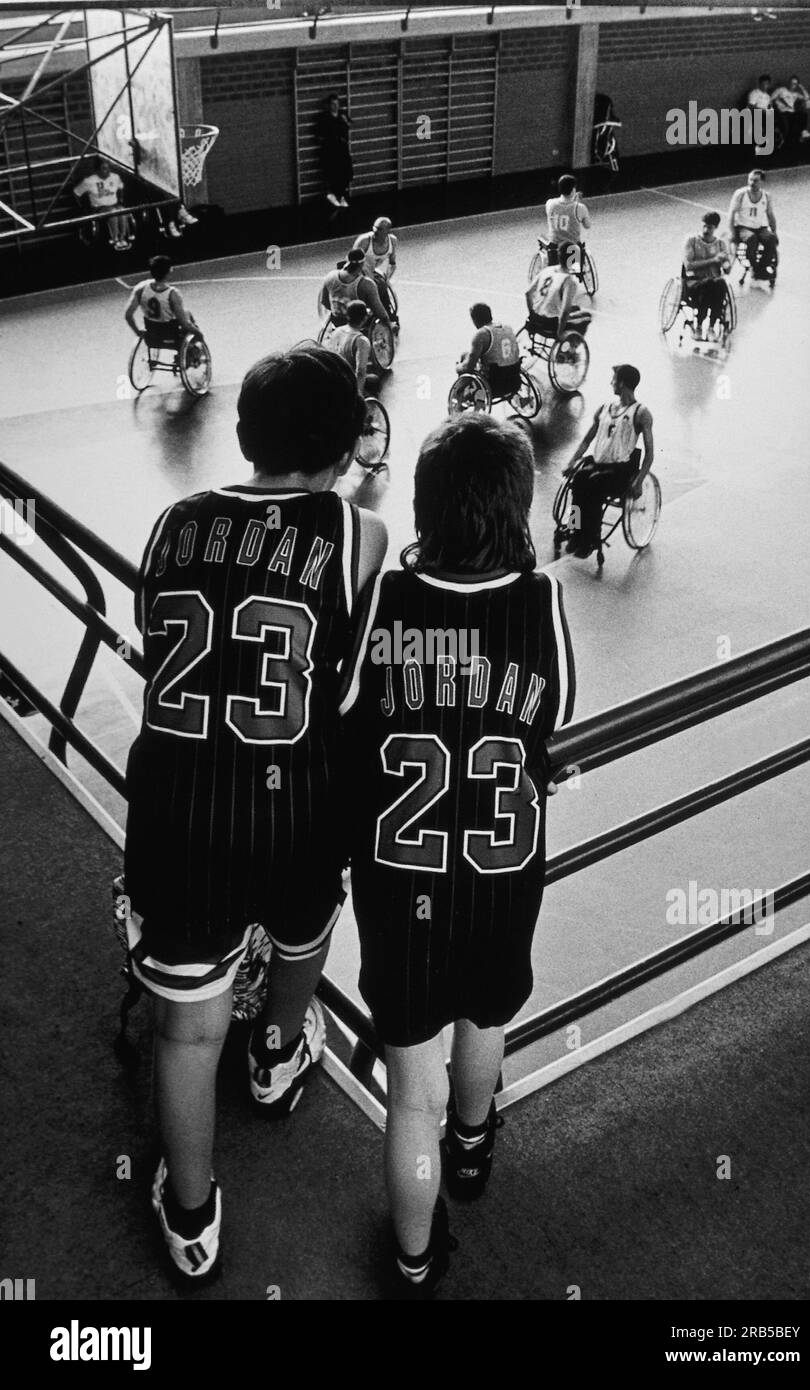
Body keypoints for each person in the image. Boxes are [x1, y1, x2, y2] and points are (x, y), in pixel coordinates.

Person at [122, 345, 388, 1282]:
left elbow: (160, 640)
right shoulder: (359, 534)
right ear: (351, 448)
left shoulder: (173, 520)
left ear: (241, 435)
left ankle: (192, 1217)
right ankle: (276, 1053)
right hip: (296, 802)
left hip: (180, 805)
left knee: (187, 1027)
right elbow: (347, 687)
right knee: (306, 922)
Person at [339, 413, 575, 1296]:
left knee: (409, 1091)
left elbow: (348, 715)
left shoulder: (386, 603)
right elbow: (557, 716)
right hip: (500, 878)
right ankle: (473, 1150)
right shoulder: (540, 600)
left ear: (424, 505)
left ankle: (413, 1261)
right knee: (487, 1015)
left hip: (399, 885)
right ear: (517, 508)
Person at [560, 364, 655, 559]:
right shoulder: (604, 408)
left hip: (621, 471)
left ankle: (591, 539)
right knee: (578, 481)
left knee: (594, 485)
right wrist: (571, 462)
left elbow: (650, 453)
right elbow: (586, 440)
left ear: (622, 383)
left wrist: (639, 481)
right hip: (598, 464)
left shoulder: (641, 412)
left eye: (614, 379)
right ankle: (575, 532)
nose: (611, 383)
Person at [124, 255, 203, 349]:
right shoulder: (173, 294)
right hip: (172, 337)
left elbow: (128, 315)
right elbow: (184, 324)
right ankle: (192, 352)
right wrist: (198, 333)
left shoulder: (141, 289)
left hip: (151, 337)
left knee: (186, 313)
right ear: (169, 272)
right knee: (187, 316)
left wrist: (137, 332)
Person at [525, 241, 592, 339]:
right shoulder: (568, 281)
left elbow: (527, 293)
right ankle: (571, 349)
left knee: (576, 309)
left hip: (536, 319)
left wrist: (532, 315)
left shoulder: (546, 270)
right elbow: (565, 311)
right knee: (586, 316)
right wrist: (560, 333)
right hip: (552, 323)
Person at [682, 211, 732, 340]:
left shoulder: (721, 244)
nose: (705, 230)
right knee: (712, 285)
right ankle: (698, 325)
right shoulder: (691, 241)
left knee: (720, 284)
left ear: (715, 228)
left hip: (714, 283)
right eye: (704, 226)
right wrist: (713, 260)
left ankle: (711, 327)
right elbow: (689, 265)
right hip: (695, 283)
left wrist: (726, 261)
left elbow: (727, 270)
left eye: (709, 227)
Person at [457, 303, 521, 399]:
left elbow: (469, 366)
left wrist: (459, 367)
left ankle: (461, 398)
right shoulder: (508, 328)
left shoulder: (481, 335)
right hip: (514, 381)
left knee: (464, 363)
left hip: (494, 386)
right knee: (466, 355)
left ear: (474, 319)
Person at [728, 168, 779, 283]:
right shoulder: (740, 194)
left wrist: (774, 231)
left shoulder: (766, 196)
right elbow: (731, 214)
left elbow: (770, 214)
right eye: (750, 180)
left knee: (771, 239)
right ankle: (754, 267)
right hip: (743, 227)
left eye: (755, 180)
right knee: (752, 239)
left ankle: (762, 268)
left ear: (762, 182)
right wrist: (732, 233)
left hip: (760, 228)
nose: (751, 183)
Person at [318, 247, 389, 329]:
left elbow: (324, 301)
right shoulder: (366, 284)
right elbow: (379, 310)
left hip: (337, 320)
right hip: (358, 322)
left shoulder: (330, 276)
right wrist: (387, 321)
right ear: (362, 264)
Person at [73, 156, 134, 250]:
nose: (107, 171)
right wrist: (82, 207)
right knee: (113, 212)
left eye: (108, 168)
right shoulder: (89, 181)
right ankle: (115, 239)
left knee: (122, 211)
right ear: (97, 170)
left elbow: (121, 188)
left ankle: (123, 237)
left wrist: (121, 199)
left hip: (114, 204)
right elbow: (76, 192)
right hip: (99, 207)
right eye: (104, 169)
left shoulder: (115, 177)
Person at [353, 217, 399, 324]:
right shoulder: (364, 241)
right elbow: (351, 262)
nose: (375, 230)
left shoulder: (392, 241)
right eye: (374, 227)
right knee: (372, 288)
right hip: (357, 272)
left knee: (382, 285)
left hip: (371, 271)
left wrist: (387, 278)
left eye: (379, 229)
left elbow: (392, 264)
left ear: (387, 231)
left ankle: (387, 314)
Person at [544, 173, 591, 269]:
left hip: (555, 248)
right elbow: (587, 225)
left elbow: (562, 207)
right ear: (573, 189)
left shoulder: (550, 204)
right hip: (573, 249)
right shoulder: (580, 207)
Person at [326, 299, 371, 394]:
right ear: (364, 318)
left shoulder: (337, 331)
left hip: (332, 377)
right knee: (375, 380)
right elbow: (360, 372)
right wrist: (358, 395)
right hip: (347, 382)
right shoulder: (361, 341)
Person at [316, 93, 353, 208]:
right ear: (329, 105)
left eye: (337, 104)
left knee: (346, 173)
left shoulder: (342, 114)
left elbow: (350, 124)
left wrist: (345, 121)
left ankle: (341, 195)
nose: (335, 106)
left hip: (342, 148)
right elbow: (320, 133)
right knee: (334, 173)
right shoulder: (325, 117)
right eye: (333, 104)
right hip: (331, 149)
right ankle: (332, 194)